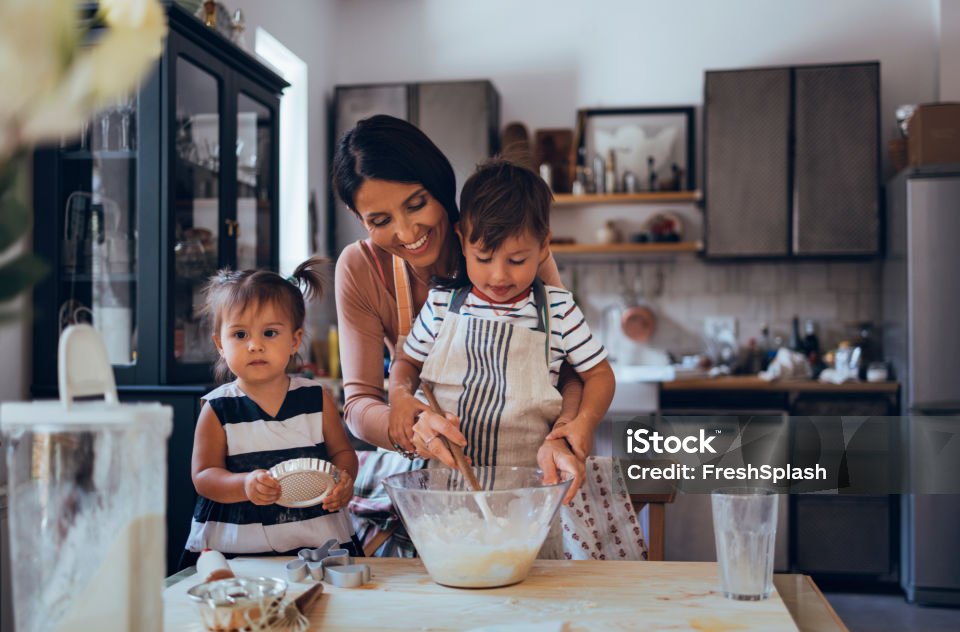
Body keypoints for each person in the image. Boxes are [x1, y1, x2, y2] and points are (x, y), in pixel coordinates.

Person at [332, 115, 584, 557]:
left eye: (416, 204)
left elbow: (570, 371)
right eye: (380, 219)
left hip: (525, 476)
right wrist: (409, 426)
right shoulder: (359, 269)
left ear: (438, 184)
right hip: (435, 485)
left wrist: (564, 435)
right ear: (358, 218)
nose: (407, 233)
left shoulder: (504, 241)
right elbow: (358, 403)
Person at [389, 158, 646, 560]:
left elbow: (598, 374)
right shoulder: (443, 305)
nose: (498, 276)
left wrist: (582, 423)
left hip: (531, 496)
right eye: (484, 257)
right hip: (448, 494)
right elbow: (406, 365)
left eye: (517, 260)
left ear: (544, 245)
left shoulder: (556, 309)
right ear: (461, 239)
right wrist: (399, 399)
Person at [184, 257, 361, 561]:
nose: (254, 345)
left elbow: (343, 454)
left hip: (316, 538)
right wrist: (243, 485)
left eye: (269, 333)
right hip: (238, 546)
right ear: (220, 345)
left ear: (294, 340)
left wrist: (344, 480)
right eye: (240, 335)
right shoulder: (218, 408)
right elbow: (203, 475)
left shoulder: (315, 398)